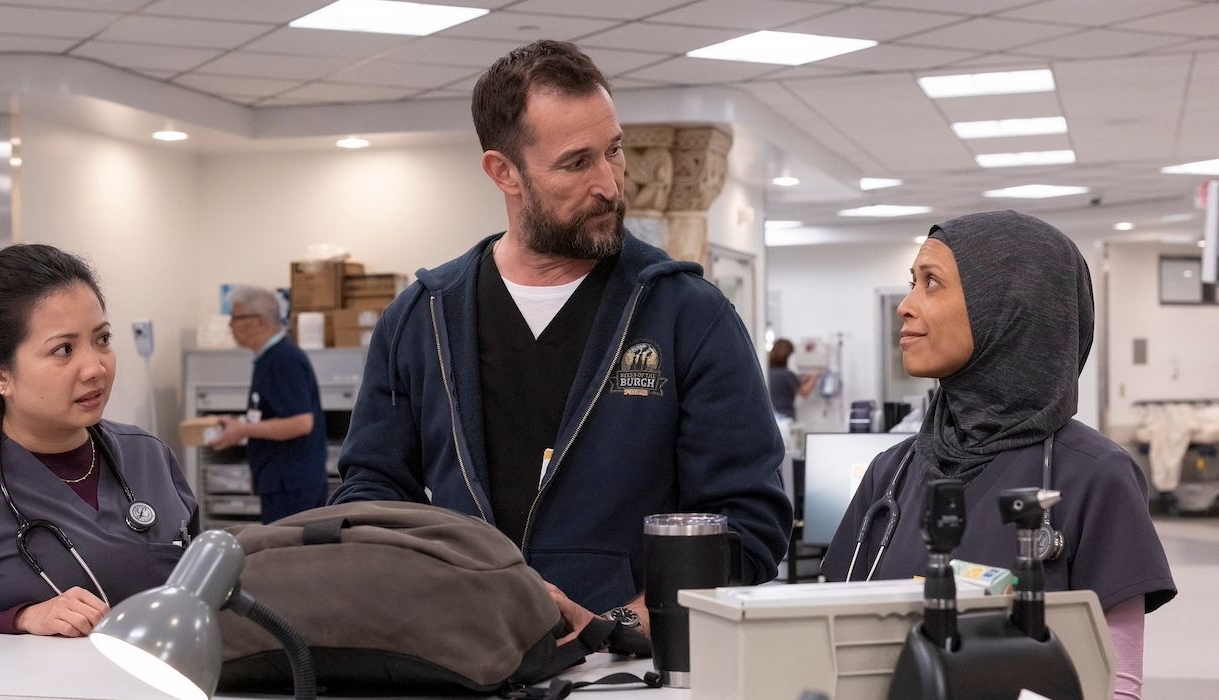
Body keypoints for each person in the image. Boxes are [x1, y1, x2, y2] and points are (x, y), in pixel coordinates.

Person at [330, 40, 792, 637]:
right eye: (577, 163)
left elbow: (745, 522)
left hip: (629, 669)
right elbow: (371, 493)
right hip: (461, 651)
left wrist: (619, 625)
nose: (609, 184)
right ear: (504, 172)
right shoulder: (423, 318)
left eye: (615, 151)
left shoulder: (686, 315)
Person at [821, 211, 1175, 699]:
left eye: (931, 283)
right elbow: (832, 645)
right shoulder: (892, 472)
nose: (904, 306)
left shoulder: (1096, 476)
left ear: (1009, 307)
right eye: (912, 283)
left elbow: (1116, 685)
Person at [0, 244, 198, 636]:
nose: (95, 367)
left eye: (102, 339)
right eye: (63, 350)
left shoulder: (148, 455)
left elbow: (200, 590)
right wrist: (20, 620)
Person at [211, 286, 327, 523]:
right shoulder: (268, 359)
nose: (230, 326)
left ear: (260, 321)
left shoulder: (284, 359)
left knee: (288, 557)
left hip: (293, 486)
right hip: (279, 482)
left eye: (235, 318)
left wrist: (243, 430)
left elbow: (300, 423)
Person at [767, 338, 818, 421]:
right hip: (786, 416)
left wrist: (807, 378)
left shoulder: (768, 372)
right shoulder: (787, 374)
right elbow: (804, 392)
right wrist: (815, 376)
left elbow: (793, 383)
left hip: (772, 415)